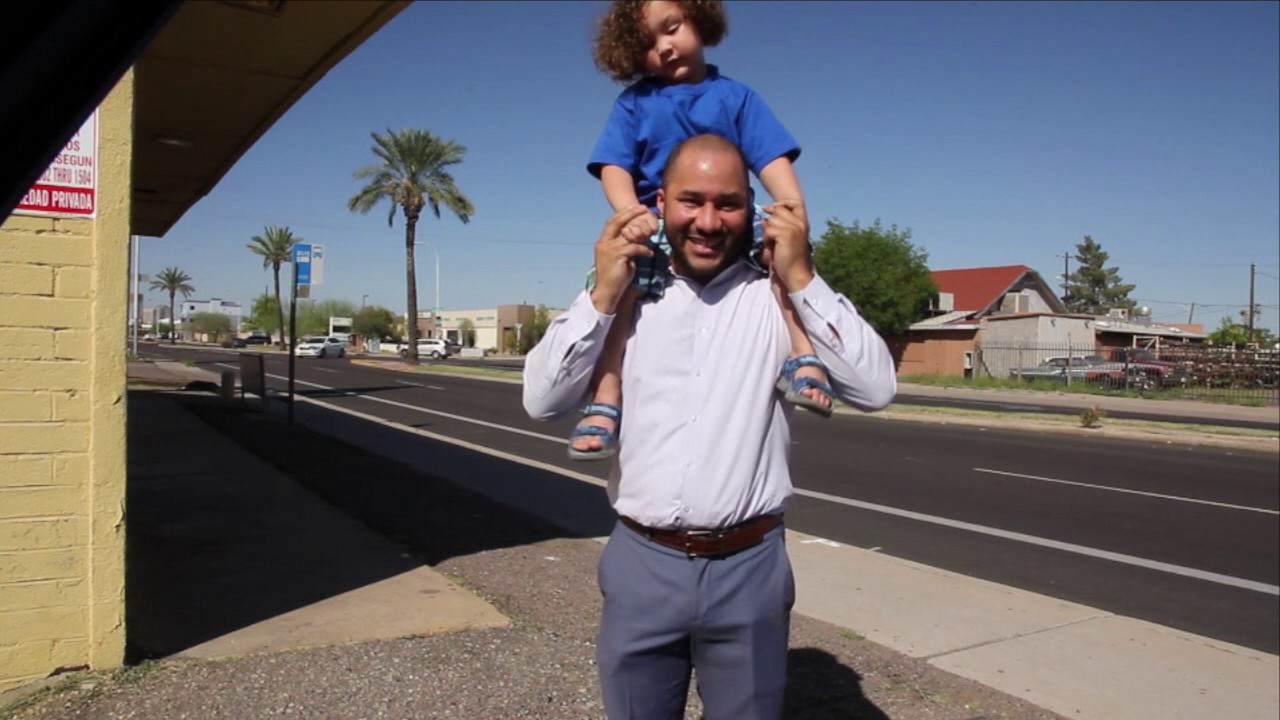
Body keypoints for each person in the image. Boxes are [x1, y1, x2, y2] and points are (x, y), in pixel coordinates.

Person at [523, 134, 897, 719]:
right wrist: (601, 291)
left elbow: (875, 389)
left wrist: (802, 277)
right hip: (642, 563)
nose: (707, 220)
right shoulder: (625, 297)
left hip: (750, 568)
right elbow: (542, 400)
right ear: (661, 204)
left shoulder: (776, 300)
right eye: (690, 200)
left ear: (751, 208)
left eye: (727, 203)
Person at [568, 0, 833, 461]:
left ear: (699, 21)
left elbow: (771, 157)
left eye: (671, 29)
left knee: (782, 262)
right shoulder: (635, 103)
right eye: (647, 45)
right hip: (657, 220)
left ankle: (802, 357)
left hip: (729, 221)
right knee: (622, 288)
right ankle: (607, 395)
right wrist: (631, 212)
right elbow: (613, 166)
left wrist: (792, 211)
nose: (664, 48)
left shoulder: (737, 98)